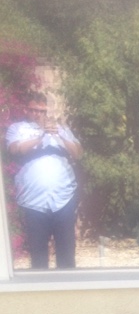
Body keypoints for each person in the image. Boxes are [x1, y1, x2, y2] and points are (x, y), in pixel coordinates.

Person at [5, 92, 82, 270]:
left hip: (63, 198)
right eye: (34, 110)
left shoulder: (61, 129)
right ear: (26, 110)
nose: (38, 114)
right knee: (38, 255)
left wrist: (60, 135)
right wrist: (40, 136)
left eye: (42, 111)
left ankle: (68, 286)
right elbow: (16, 150)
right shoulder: (18, 128)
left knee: (67, 253)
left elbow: (78, 153)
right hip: (34, 201)